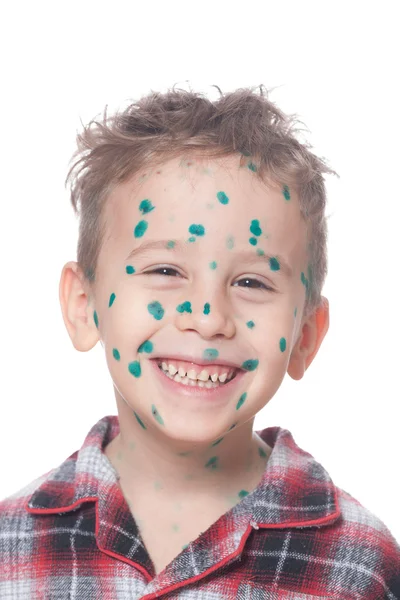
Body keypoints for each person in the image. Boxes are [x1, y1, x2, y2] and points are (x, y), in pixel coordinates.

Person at [1, 84, 399, 599]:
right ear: (85, 305)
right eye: (165, 269)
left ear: (305, 335)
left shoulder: (363, 565)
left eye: (252, 282)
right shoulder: (10, 549)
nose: (207, 318)